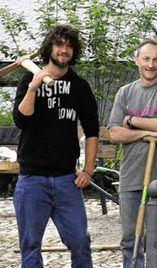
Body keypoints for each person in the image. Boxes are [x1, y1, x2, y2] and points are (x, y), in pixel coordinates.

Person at [12, 23, 99, 268]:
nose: (64, 50)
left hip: (66, 179)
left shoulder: (80, 87)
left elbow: (92, 131)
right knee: (30, 245)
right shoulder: (30, 78)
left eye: (69, 46)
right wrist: (33, 86)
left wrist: (88, 170)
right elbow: (21, 120)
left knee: (80, 241)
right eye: (59, 44)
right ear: (49, 47)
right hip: (32, 179)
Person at [107, 37, 157, 268]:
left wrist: (131, 121)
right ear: (136, 60)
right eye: (146, 59)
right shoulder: (124, 93)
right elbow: (114, 134)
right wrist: (145, 133)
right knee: (130, 239)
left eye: (156, 60)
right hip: (132, 176)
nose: (150, 64)